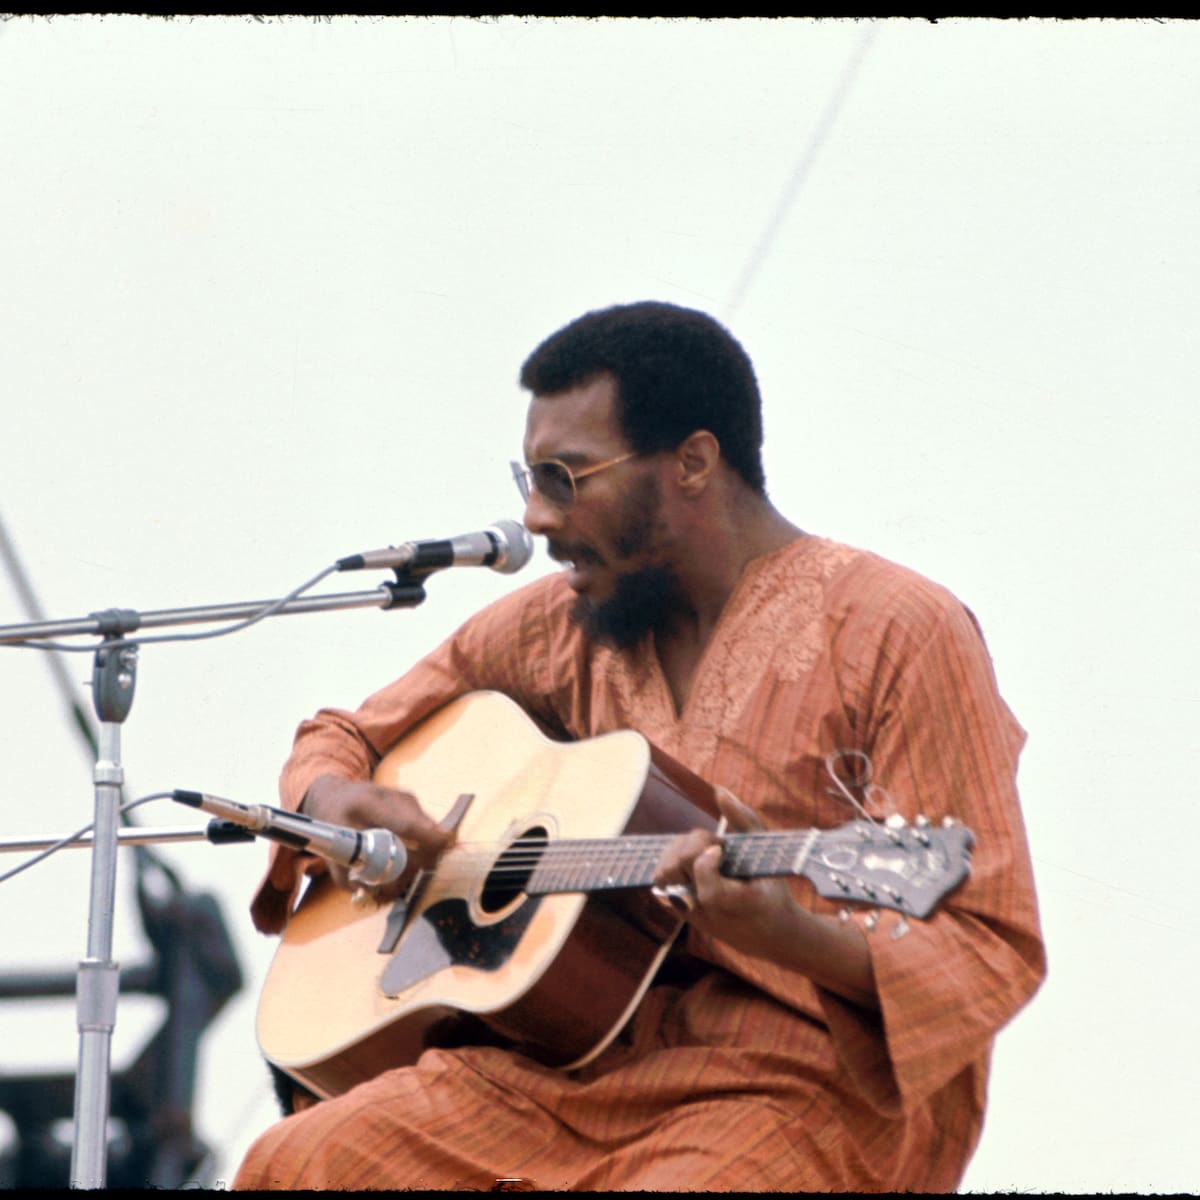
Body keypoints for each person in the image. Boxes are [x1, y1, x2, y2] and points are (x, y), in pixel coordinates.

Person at [233, 301, 1045, 1192]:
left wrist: (792, 935)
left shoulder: (897, 629)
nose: (537, 517)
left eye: (566, 477)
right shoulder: (562, 625)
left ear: (693, 462)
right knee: (299, 1163)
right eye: (529, 479)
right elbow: (345, 734)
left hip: (794, 1085)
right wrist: (331, 798)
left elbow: (986, 942)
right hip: (562, 1067)